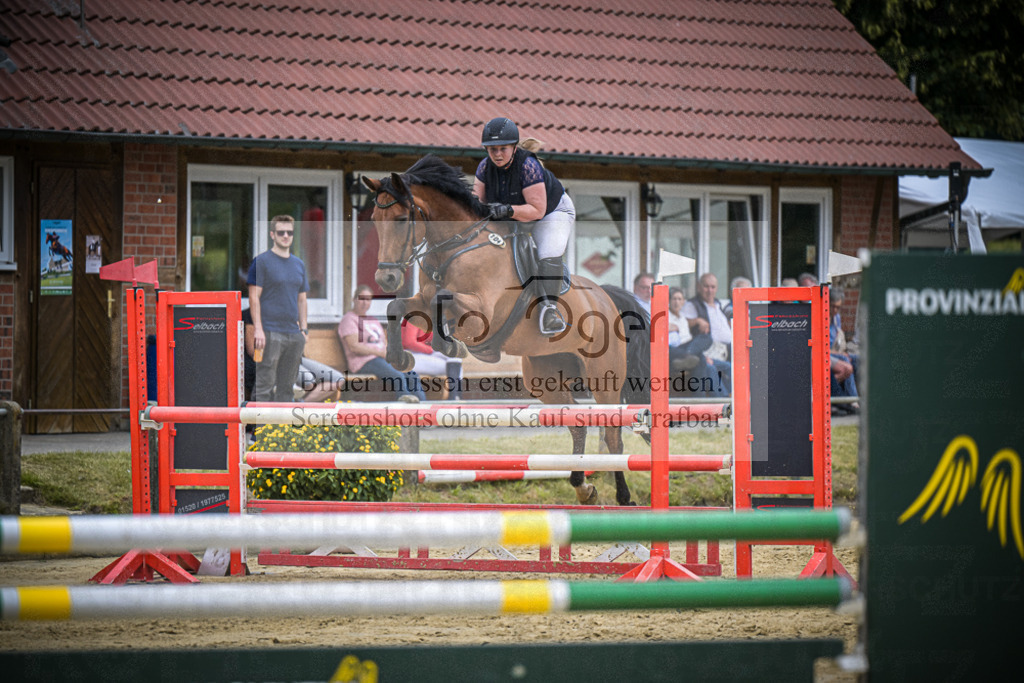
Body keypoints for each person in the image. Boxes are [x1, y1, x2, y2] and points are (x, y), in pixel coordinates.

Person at [473, 117, 576, 336]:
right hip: (515, 216)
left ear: (513, 147)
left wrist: (508, 210)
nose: (497, 154)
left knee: (547, 253)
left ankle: (549, 310)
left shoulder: (528, 166)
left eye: (503, 149)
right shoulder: (484, 167)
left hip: (551, 212)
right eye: (492, 149)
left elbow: (537, 211)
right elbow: (476, 204)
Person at [248, 215, 309, 403]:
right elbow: (254, 297)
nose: (285, 236)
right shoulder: (262, 262)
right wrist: (258, 329)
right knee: (264, 385)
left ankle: (282, 423)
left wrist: (304, 330)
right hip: (269, 332)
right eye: (281, 232)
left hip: (294, 333)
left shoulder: (299, 264)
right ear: (272, 235)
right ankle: (258, 423)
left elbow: (302, 300)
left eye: (289, 232)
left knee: (287, 388)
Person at [338, 285, 425, 400]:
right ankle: (405, 407)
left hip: (382, 359)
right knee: (397, 377)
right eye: (361, 298)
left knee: (412, 375)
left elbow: (384, 343)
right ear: (354, 299)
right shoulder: (349, 319)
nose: (364, 303)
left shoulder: (373, 320)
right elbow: (354, 347)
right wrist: (380, 353)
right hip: (364, 362)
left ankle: (423, 407)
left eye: (368, 299)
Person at [401, 319, 464, 400]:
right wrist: (430, 350)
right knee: (456, 369)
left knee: (455, 357)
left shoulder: (430, 319)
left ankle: (454, 397)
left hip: (424, 355)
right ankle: (455, 397)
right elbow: (409, 342)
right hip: (409, 357)